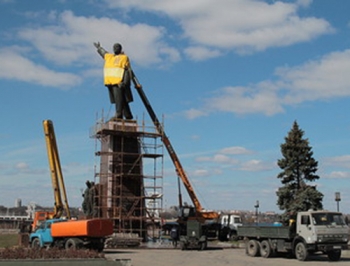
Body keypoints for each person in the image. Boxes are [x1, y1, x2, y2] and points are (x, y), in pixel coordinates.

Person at [94, 42, 133, 119]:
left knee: (119, 99)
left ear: (120, 49)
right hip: (110, 82)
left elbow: (127, 71)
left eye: (117, 47)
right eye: (114, 47)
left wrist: (124, 82)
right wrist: (99, 48)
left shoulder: (124, 57)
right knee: (122, 99)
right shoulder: (109, 57)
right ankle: (128, 115)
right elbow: (103, 53)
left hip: (118, 82)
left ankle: (119, 114)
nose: (115, 48)